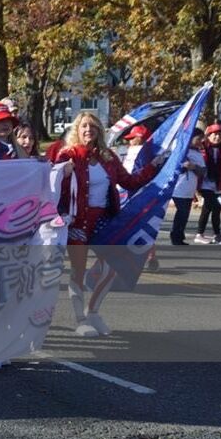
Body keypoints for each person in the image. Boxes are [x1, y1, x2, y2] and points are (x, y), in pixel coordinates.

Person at [55, 112, 164, 337]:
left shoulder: (108, 157)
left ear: (99, 131)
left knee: (114, 265)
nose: (89, 130)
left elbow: (129, 181)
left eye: (93, 127)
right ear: (77, 129)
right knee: (77, 270)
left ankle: (93, 311)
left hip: (105, 219)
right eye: (84, 126)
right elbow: (51, 183)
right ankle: (81, 320)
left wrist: (154, 166)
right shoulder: (68, 155)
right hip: (77, 220)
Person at [169, 128, 206, 248]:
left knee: (184, 214)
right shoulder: (181, 150)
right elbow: (173, 165)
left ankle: (179, 235)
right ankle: (176, 237)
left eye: (202, 139)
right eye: (198, 139)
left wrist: (194, 167)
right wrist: (184, 166)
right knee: (182, 212)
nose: (201, 141)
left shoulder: (197, 153)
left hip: (189, 189)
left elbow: (203, 171)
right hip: (178, 187)